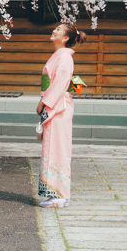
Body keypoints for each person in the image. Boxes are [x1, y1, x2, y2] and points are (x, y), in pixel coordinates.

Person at [35, 22, 85, 208]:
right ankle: (53, 192)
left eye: (58, 30)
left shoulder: (64, 58)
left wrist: (43, 103)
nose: (54, 30)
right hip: (56, 105)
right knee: (52, 148)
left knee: (58, 149)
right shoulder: (60, 56)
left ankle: (60, 194)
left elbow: (59, 83)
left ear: (65, 38)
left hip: (58, 106)